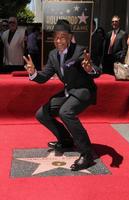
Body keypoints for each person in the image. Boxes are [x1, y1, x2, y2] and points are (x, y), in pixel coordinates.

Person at [23, 19, 101, 171]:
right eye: (56, 37)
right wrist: (33, 73)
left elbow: (97, 71)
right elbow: (44, 77)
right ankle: (65, 140)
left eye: (63, 37)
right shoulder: (53, 55)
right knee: (41, 114)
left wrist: (90, 68)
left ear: (70, 37)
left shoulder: (79, 50)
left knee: (65, 112)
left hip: (83, 91)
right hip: (69, 91)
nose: (59, 40)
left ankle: (87, 154)